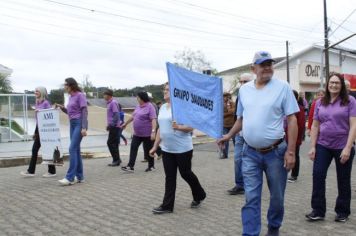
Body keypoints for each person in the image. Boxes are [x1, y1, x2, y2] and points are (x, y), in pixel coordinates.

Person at [218, 51, 299, 236]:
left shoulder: (283, 87)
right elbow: (241, 119)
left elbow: (292, 119)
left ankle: (273, 228)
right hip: (250, 153)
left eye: (270, 64)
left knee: (277, 198)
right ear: (253, 68)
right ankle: (250, 233)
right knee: (251, 197)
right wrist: (228, 135)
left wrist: (292, 151)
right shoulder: (244, 90)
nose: (267, 67)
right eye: (263, 64)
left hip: (276, 153)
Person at [306, 73, 356, 223]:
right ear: (327, 85)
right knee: (318, 175)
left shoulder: (350, 101)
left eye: (337, 83)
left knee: (343, 179)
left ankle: (342, 212)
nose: (334, 85)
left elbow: (354, 125)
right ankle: (318, 210)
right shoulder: (320, 102)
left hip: (343, 145)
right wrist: (312, 146)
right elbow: (315, 125)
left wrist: (348, 147)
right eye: (331, 83)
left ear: (341, 85)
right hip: (323, 145)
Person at [150, 83, 206, 214]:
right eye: (164, 89)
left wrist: (179, 127)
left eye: (168, 90)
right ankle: (167, 206)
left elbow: (191, 127)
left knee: (186, 173)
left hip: (183, 148)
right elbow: (160, 129)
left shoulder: (182, 107)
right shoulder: (163, 107)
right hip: (167, 149)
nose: (165, 91)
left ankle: (199, 194)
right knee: (170, 177)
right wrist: (155, 146)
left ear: (175, 92)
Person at [55, 78, 88, 185]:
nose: (64, 87)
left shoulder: (80, 95)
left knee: (72, 148)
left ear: (70, 85)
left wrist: (84, 127)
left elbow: (84, 111)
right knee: (76, 150)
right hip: (72, 124)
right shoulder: (70, 97)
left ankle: (70, 178)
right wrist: (62, 108)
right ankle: (80, 176)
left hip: (79, 123)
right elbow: (70, 111)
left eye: (65, 85)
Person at [20, 86, 56, 177]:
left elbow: (49, 115)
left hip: (46, 130)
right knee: (35, 150)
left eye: (37, 91)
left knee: (46, 149)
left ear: (42, 92)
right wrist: (35, 132)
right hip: (39, 129)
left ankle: (50, 171)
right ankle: (33, 171)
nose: (35, 92)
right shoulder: (37, 102)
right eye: (35, 91)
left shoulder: (46, 103)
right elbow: (38, 120)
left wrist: (40, 111)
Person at [227, 73, 253, 195]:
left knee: (251, 161)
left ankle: (250, 184)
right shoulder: (239, 96)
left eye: (245, 81)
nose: (242, 84)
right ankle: (239, 185)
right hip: (239, 133)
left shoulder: (255, 96)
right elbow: (238, 117)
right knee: (238, 159)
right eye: (241, 82)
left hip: (251, 135)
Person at [121, 91, 157, 172]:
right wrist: (125, 123)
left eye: (138, 97)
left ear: (142, 98)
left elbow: (153, 120)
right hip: (137, 134)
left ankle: (151, 166)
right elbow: (133, 116)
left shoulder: (150, 106)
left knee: (149, 150)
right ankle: (130, 166)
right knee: (133, 148)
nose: (137, 99)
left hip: (147, 134)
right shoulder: (138, 106)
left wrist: (153, 132)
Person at [286, 90, 305, 183]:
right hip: (283, 137)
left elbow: (301, 125)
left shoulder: (299, 108)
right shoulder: (284, 107)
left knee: (295, 155)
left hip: (294, 137)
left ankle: (294, 175)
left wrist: (298, 138)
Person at [104, 89, 121, 166]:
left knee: (110, 143)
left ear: (109, 95)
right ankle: (117, 160)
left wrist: (111, 125)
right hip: (113, 126)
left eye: (105, 94)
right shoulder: (109, 103)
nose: (104, 96)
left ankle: (116, 160)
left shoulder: (113, 103)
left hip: (115, 126)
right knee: (114, 143)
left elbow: (116, 114)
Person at [221, 92, 235, 159]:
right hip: (224, 125)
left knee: (235, 140)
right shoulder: (221, 104)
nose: (225, 98)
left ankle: (238, 154)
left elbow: (233, 111)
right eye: (224, 96)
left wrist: (228, 109)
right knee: (224, 140)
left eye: (227, 96)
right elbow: (220, 114)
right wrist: (227, 113)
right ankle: (225, 154)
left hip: (233, 125)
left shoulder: (233, 103)